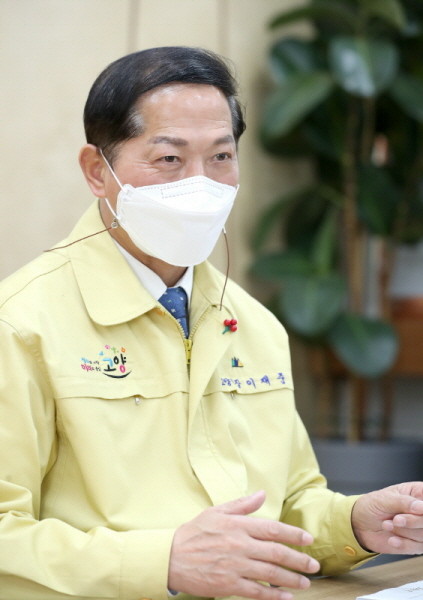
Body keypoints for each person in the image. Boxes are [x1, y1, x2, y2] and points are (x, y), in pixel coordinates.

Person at [0, 46, 422, 600]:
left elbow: (290, 504)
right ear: (97, 171)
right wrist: (163, 563)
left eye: (221, 156)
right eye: (169, 159)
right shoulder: (21, 324)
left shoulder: (254, 323)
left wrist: (354, 525)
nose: (200, 185)